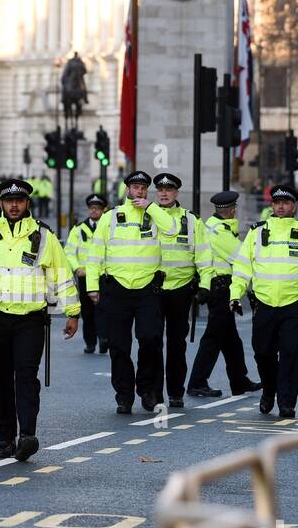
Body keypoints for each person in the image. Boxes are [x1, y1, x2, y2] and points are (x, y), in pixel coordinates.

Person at [0, 178, 80, 461]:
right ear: (1, 204)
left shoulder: (44, 236)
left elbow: (62, 274)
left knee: (25, 375)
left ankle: (27, 436)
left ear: (27, 203)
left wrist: (73, 311)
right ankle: (6, 438)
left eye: (19, 201)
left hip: (31, 320)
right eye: (9, 201)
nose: (14, 205)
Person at [230, 186, 298, 418]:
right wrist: (235, 294)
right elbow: (243, 267)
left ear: (294, 206)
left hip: (294, 303)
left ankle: (287, 402)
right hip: (264, 303)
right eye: (277, 203)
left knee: (289, 354)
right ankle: (269, 389)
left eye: (286, 202)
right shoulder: (257, 233)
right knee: (262, 352)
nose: (282, 206)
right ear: (272, 206)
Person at [85, 171, 177, 414]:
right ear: (127, 189)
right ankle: (124, 395)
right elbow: (95, 253)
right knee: (119, 346)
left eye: (143, 188)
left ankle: (147, 390)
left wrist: (152, 208)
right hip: (117, 288)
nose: (139, 191)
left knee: (150, 339)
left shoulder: (156, 215)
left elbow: (171, 229)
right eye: (135, 187)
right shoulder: (110, 217)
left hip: (148, 288)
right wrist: (92, 286)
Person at [187, 190, 260, 398]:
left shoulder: (214, 227)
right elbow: (242, 257)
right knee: (213, 337)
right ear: (232, 210)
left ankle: (239, 380)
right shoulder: (219, 231)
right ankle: (197, 382)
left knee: (231, 339)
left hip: (221, 287)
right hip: (220, 289)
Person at [152, 173, 210, 408]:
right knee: (152, 342)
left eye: (169, 190)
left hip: (181, 289)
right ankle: (154, 393)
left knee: (177, 344)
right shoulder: (147, 218)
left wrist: (205, 284)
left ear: (176, 193)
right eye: (160, 190)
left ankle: (175, 391)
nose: (164, 193)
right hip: (153, 289)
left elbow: (204, 255)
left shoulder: (192, 221)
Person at [65, 193, 110, 354]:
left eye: (98, 209)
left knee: (104, 310)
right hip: (85, 276)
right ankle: (90, 342)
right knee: (88, 312)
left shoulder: (109, 228)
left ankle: (104, 339)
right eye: (92, 208)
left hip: (104, 277)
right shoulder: (78, 229)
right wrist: (77, 268)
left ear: (103, 210)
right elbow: (69, 252)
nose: (94, 211)